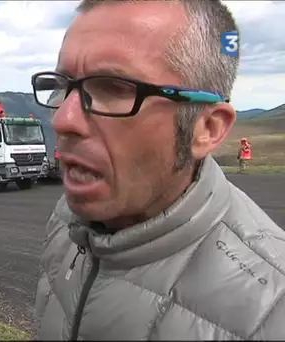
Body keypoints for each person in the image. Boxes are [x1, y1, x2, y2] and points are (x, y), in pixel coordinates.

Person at [31, 0, 285, 340]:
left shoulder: (271, 314)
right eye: (63, 86)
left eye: (114, 88)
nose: (62, 119)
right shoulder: (66, 222)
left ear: (206, 128)